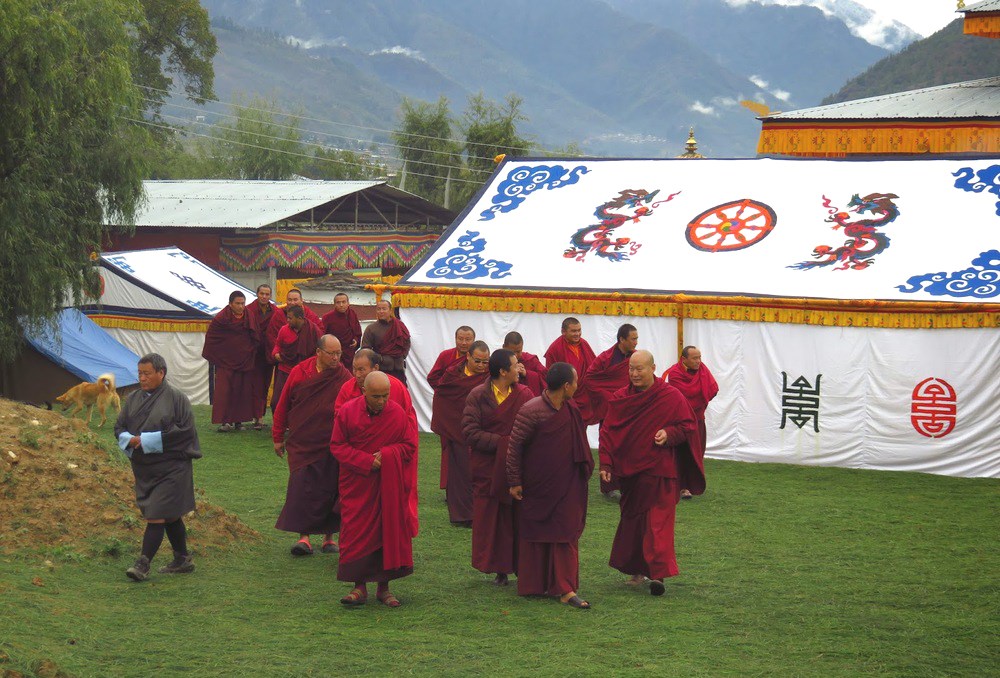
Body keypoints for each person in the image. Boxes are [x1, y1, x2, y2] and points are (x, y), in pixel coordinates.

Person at [599, 350, 704, 596]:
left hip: (660, 470)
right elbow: (608, 432)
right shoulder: (620, 398)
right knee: (634, 522)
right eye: (631, 369)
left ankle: (658, 574)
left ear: (653, 368)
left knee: (659, 524)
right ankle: (637, 571)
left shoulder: (670, 396)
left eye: (640, 369)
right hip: (630, 471)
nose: (634, 374)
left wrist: (669, 433)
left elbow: (688, 426)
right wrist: (606, 464)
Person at [506, 362, 594, 609]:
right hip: (538, 485)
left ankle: (565, 588)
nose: (577, 386)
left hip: (567, 485)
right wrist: (514, 481)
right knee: (537, 532)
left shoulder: (570, 409)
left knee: (565, 534)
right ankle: (535, 583)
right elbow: (515, 447)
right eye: (575, 382)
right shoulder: (531, 410)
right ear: (566, 386)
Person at [331, 371, 418, 608]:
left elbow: (409, 445)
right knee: (355, 531)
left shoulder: (397, 414)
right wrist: (366, 461)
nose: (382, 401)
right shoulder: (347, 412)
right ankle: (358, 587)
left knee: (386, 531)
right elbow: (337, 446)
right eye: (376, 396)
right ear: (364, 392)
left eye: (385, 396)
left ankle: (384, 588)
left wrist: (389, 455)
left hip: (386, 486)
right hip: (357, 484)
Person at [115, 354, 201, 582]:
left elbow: (186, 433)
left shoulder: (177, 399)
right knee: (170, 515)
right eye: (140, 373)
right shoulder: (132, 399)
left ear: (161, 373)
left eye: (147, 373)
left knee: (156, 515)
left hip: (173, 467)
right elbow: (119, 427)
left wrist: (145, 440)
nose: (142, 378)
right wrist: (128, 439)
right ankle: (182, 559)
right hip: (145, 469)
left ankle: (143, 564)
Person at [272, 335, 353, 556]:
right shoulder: (300, 372)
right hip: (303, 441)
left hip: (332, 442)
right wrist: (278, 436)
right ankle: (304, 537)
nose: (336, 358)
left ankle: (329, 537)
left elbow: (353, 406)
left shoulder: (344, 376)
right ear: (318, 352)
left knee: (332, 487)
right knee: (301, 487)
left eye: (339, 353)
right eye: (331, 353)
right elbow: (283, 404)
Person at [461, 349, 534, 586]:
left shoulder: (525, 394)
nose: (519, 369)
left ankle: (524, 567)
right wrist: (504, 442)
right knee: (494, 520)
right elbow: (470, 433)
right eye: (515, 365)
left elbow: (535, 429)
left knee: (518, 518)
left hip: (518, 467)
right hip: (488, 468)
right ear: (503, 371)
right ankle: (499, 569)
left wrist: (514, 446)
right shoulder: (478, 395)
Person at [430, 340, 490, 526]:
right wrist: (449, 427)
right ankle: (463, 515)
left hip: (481, 431)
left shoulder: (490, 376)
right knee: (459, 474)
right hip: (457, 431)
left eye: (485, 362)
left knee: (482, 474)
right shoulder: (453, 374)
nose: (481, 366)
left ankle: (482, 514)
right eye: (477, 361)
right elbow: (443, 396)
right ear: (468, 357)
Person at [581, 323, 638, 499]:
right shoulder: (605, 358)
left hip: (630, 408)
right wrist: (608, 397)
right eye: (633, 339)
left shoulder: (637, 358)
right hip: (610, 410)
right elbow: (590, 379)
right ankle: (609, 487)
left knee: (630, 447)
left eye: (637, 338)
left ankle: (629, 484)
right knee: (609, 446)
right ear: (622, 339)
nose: (636, 342)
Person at [664, 345, 719, 500]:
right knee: (682, 453)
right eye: (695, 358)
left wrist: (700, 402)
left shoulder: (702, 370)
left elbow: (713, 388)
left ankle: (690, 484)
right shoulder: (675, 373)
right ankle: (680, 486)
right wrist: (699, 398)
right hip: (681, 421)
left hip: (699, 419)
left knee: (697, 452)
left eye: (699, 357)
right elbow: (683, 397)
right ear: (684, 359)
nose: (698, 361)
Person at [201, 290, 261, 433]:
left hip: (243, 360)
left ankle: (239, 422)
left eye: (243, 303)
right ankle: (225, 421)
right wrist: (219, 357)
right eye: (238, 303)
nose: (241, 307)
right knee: (225, 391)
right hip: (226, 362)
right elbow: (212, 338)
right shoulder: (221, 318)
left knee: (242, 391)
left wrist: (249, 351)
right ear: (230, 304)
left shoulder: (249, 316)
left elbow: (255, 336)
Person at [270, 304, 322, 414]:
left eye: (290, 318)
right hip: (285, 369)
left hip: (303, 371)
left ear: (299, 318)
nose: (287, 320)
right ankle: (280, 425)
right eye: (287, 317)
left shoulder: (313, 330)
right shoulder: (284, 330)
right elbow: (277, 345)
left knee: (300, 402)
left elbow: (319, 350)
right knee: (276, 401)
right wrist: (275, 354)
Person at [265, 288, 322, 366]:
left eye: (295, 300)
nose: (292, 303)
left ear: (302, 301)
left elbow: (320, 336)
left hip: (306, 362)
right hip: (285, 360)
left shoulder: (310, 315)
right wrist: (278, 354)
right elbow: (272, 337)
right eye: (289, 300)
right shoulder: (279, 315)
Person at [247, 284, 278, 430]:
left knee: (265, 384)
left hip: (269, 352)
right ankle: (257, 417)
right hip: (254, 353)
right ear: (257, 294)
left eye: (267, 294)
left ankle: (259, 417)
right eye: (262, 294)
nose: (264, 297)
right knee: (256, 385)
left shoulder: (275, 311)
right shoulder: (249, 310)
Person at [360, 298, 410, 385]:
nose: (381, 311)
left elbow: (407, 342)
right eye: (379, 309)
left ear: (390, 311)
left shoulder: (399, 325)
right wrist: (379, 358)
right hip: (381, 369)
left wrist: (403, 356)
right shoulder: (371, 328)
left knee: (399, 392)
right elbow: (365, 349)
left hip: (398, 368)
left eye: (384, 309)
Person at [321, 293, 362, 371]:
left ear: (348, 303)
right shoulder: (327, 317)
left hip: (349, 352)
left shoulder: (352, 314)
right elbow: (323, 336)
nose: (341, 305)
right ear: (334, 304)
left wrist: (356, 339)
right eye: (338, 302)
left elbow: (357, 331)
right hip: (334, 354)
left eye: (344, 302)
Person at [502, 331, 546, 396]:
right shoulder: (499, 360)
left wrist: (526, 373)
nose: (515, 355)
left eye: (518, 351)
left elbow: (545, 376)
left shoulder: (530, 360)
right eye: (512, 352)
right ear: (504, 347)